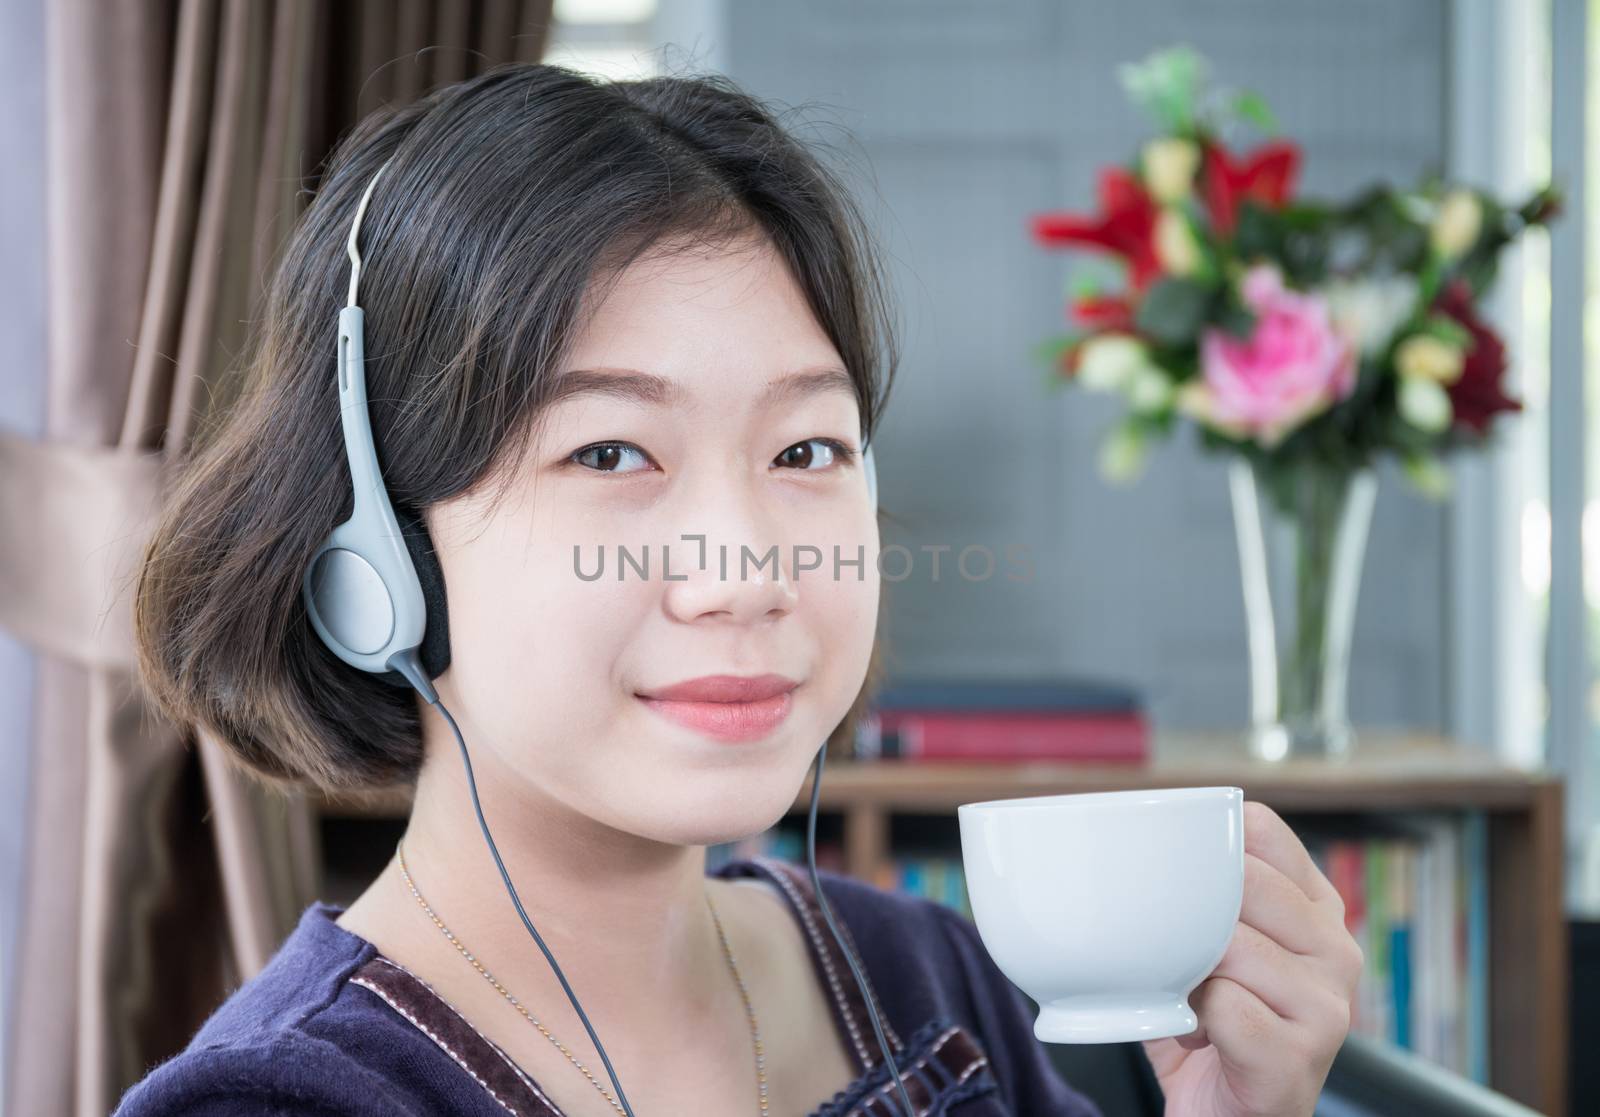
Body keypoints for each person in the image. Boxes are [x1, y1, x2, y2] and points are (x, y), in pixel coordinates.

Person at [112, 63, 1359, 1117]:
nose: (747, 575)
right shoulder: (290, 1097)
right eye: (608, 453)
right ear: (382, 554)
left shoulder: (929, 981)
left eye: (804, 451)